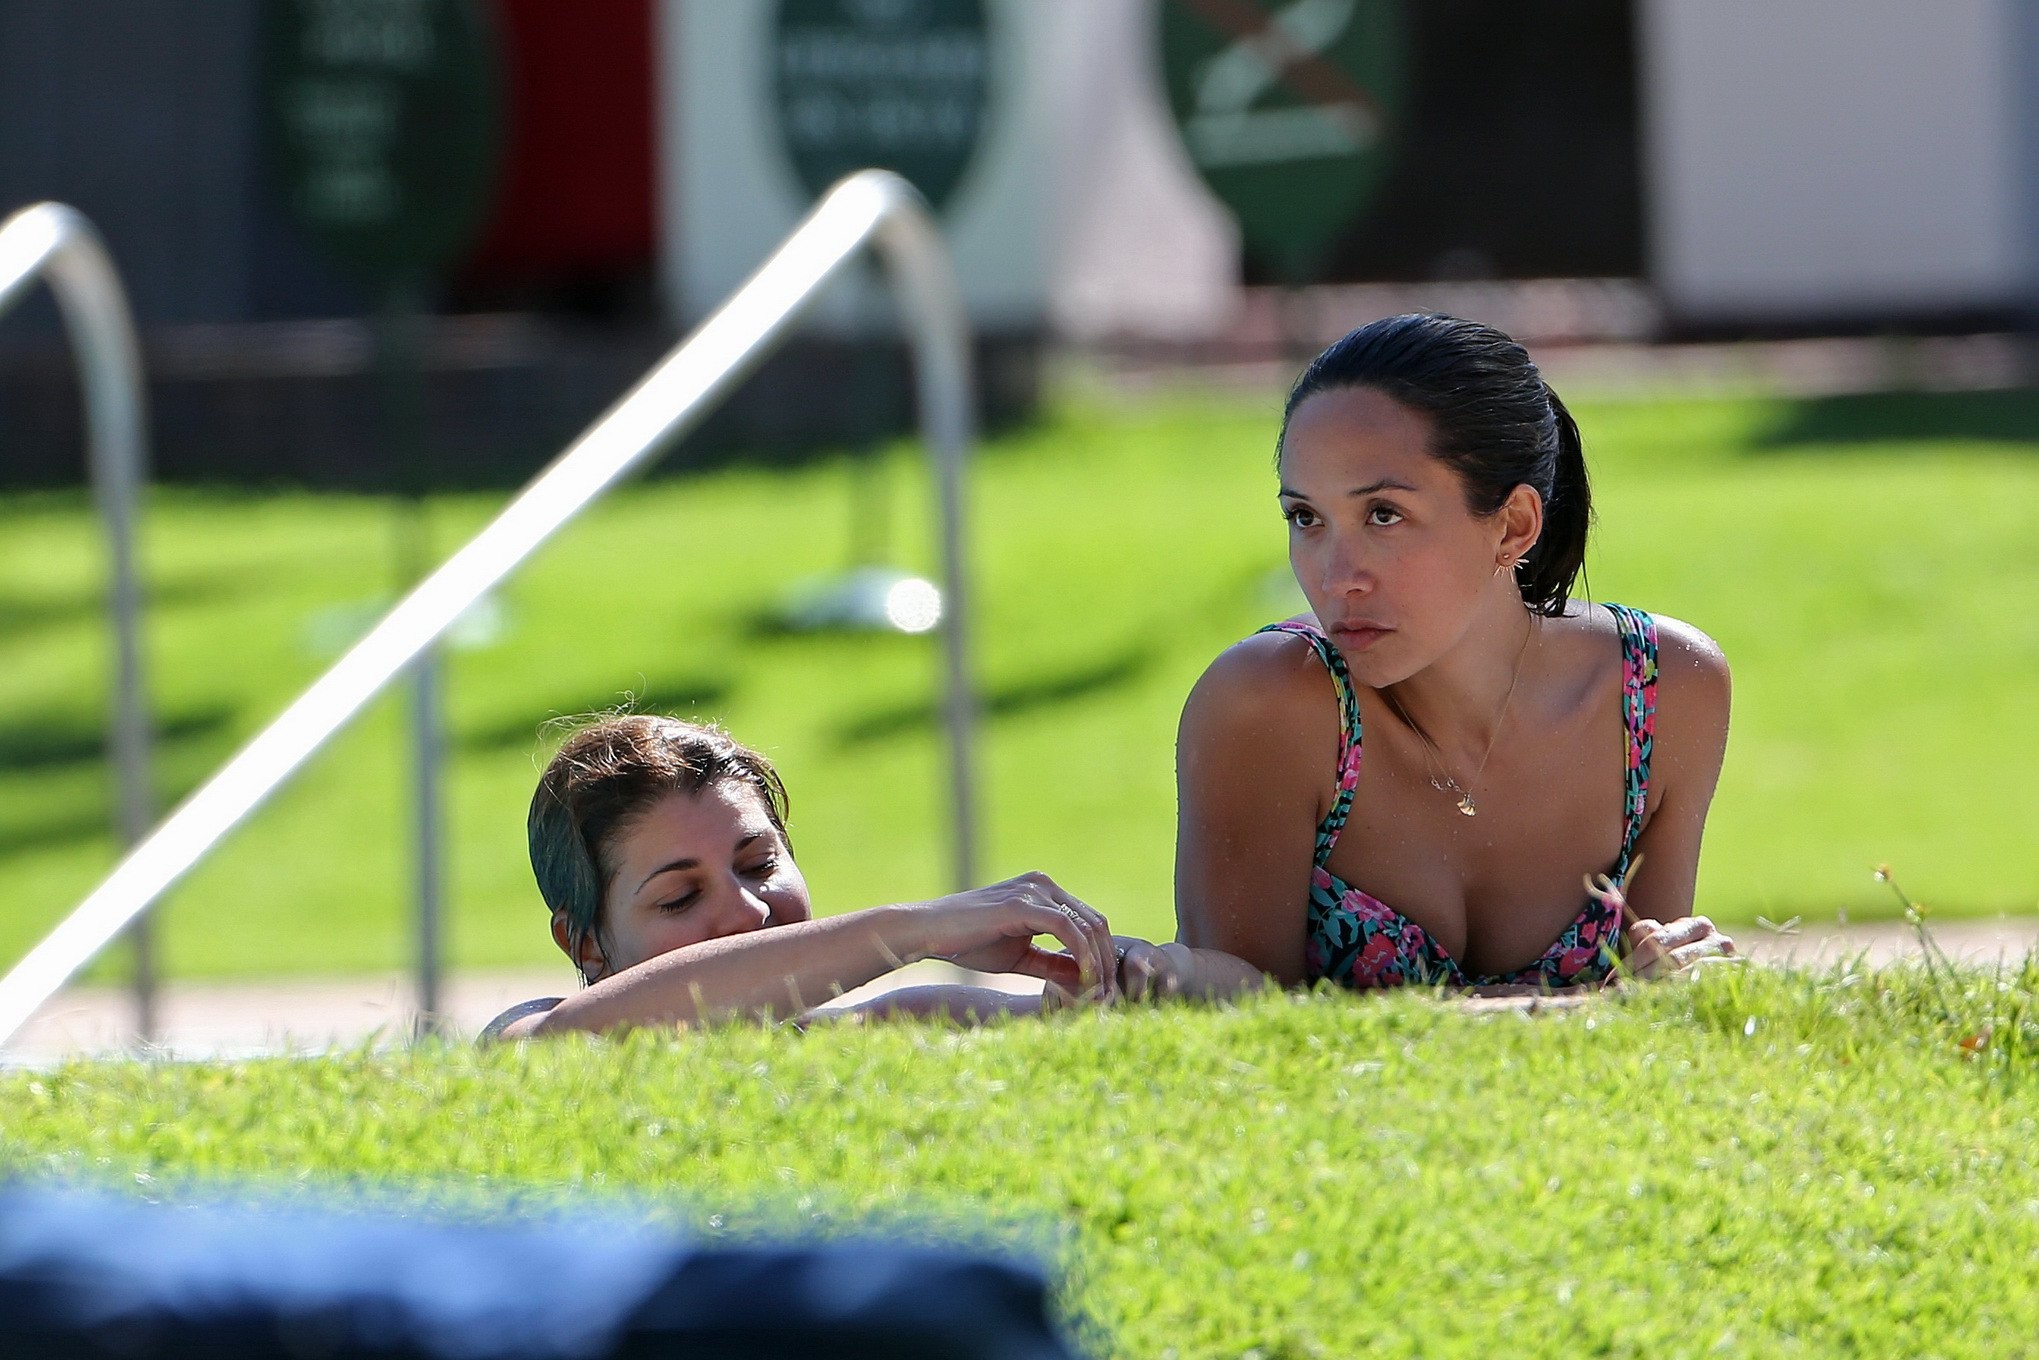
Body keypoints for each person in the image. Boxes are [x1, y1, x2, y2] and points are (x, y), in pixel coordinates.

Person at [1119, 314, 1737, 1000]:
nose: (1334, 575)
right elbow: (1252, 1025)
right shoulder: (1266, 703)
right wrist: (1143, 975)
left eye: (1382, 514)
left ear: (1513, 526)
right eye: (1305, 518)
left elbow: (1654, 1005)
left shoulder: (1662, 690)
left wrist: (1677, 977)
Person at [483, 715, 1117, 1039]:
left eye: (759, 865)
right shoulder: (542, 1037)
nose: (747, 912)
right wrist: (916, 929)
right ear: (584, 942)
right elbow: (553, 1043)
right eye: (680, 898)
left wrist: (1088, 990)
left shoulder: (878, 1034)